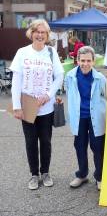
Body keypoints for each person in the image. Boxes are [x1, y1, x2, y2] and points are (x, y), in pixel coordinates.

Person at [10, 19, 64, 190]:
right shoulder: (22, 52)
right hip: (27, 106)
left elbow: (59, 76)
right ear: (31, 33)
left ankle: (46, 172)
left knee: (46, 142)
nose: (40, 35)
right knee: (31, 142)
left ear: (47, 35)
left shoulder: (51, 52)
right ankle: (34, 174)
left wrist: (48, 95)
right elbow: (16, 81)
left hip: (46, 108)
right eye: (37, 32)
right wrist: (16, 106)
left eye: (43, 32)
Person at [65, 46, 107, 190]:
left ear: (94, 61)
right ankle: (82, 174)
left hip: (96, 118)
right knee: (80, 146)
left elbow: (106, 96)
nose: (85, 64)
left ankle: (99, 177)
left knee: (98, 148)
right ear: (77, 61)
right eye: (82, 60)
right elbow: (69, 93)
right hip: (79, 118)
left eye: (89, 60)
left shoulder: (100, 78)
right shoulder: (70, 76)